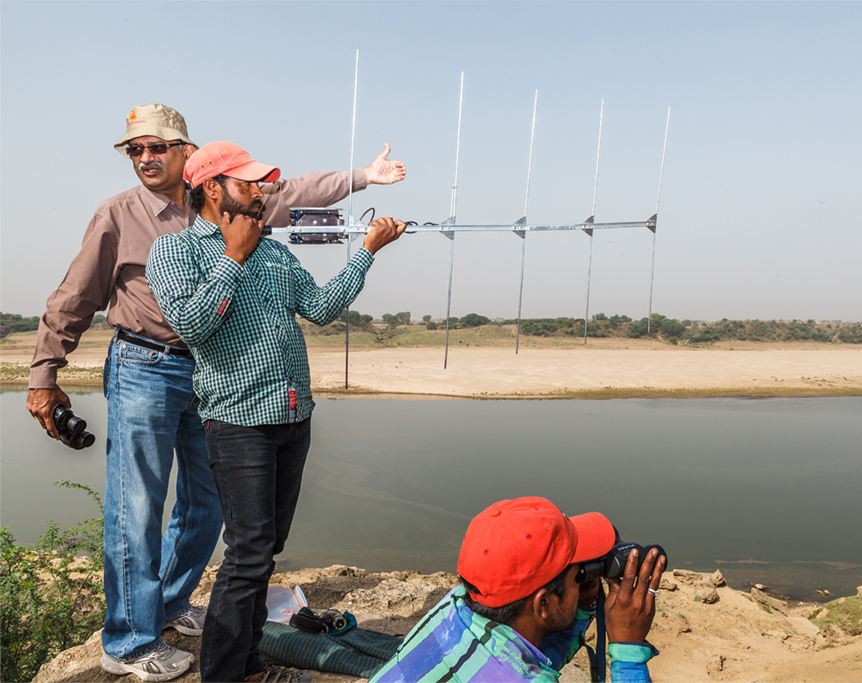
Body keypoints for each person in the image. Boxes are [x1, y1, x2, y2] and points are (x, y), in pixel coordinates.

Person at [25, 103, 406, 682]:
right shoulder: (126, 217)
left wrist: (363, 181)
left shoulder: (251, 214)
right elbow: (75, 297)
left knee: (207, 507)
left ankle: (174, 605)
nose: (146, 159)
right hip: (147, 365)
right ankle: (128, 641)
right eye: (135, 150)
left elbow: (302, 193)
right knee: (139, 506)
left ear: (187, 155)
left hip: (214, 381)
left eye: (158, 147)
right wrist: (44, 374)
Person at [146, 140, 406, 683]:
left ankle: (247, 662)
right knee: (246, 557)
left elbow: (321, 308)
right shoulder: (175, 253)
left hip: (293, 419)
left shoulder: (274, 251)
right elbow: (193, 327)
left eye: (262, 183)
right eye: (248, 183)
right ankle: (226, 673)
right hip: (239, 424)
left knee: (265, 551)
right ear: (212, 188)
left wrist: (367, 252)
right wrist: (233, 256)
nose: (262, 191)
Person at [370, 496, 666, 683]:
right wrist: (627, 649)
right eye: (577, 575)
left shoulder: (455, 604)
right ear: (543, 604)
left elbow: (529, 645)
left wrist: (583, 600)